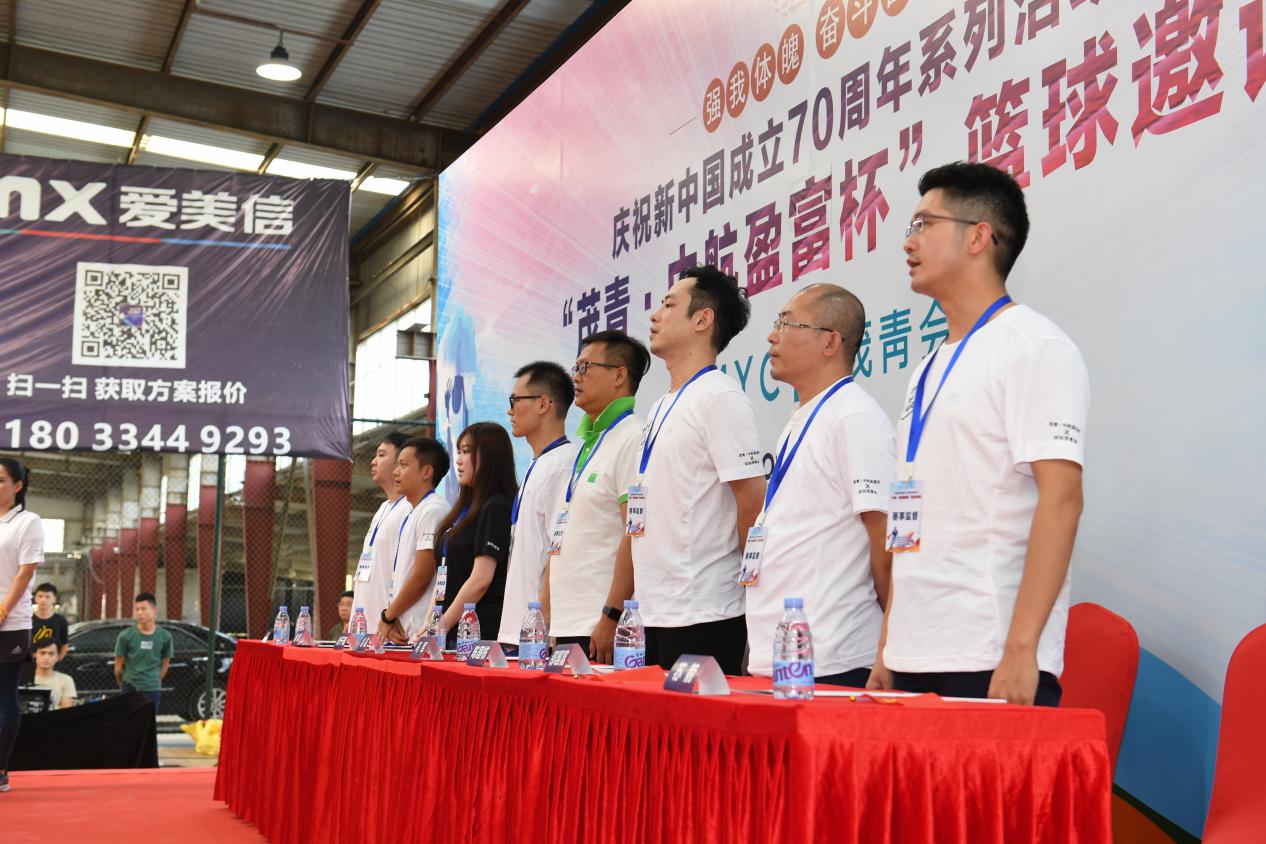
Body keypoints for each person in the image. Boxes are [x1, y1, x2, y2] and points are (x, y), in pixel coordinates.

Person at [869, 162, 1089, 707]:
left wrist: (1022, 649)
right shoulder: (928, 367)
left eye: (924, 224)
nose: (908, 242)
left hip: (990, 655)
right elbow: (910, 519)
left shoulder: (1034, 346)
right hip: (912, 655)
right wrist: (889, 645)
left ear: (978, 237)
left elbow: (1062, 499)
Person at [744, 284, 895, 688]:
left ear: (831, 342)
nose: (772, 336)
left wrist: (888, 648)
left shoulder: (854, 417)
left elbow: (885, 541)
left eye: (787, 324)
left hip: (833, 657)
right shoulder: (803, 419)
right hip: (781, 656)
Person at [633, 266, 766, 676]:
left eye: (669, 305)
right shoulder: (661, 406)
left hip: (704, 611)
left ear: (703, 320)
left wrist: (753, 595)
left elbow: (752, 501)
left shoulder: (720, 397)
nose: (655, 315)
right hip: (654, 610)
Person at [543, 331, 648, 662]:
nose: (576, 376)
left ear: (619, 375)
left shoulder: (631, 437)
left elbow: (634, 532)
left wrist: (611, 616)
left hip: (598, 626)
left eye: (585, 367)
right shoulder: (592, 441)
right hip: (569, 622)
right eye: (575, 368)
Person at [496, 362, 579, 648]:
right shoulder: (540, 462)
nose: (510, 411)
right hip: (519, 628)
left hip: (536, 634)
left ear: (543, 404)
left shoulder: (563, 464)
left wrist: (544, 621)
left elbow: (560, 548)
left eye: (515, 400)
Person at [434, 423, 517, 646]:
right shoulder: (465, 509)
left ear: (490, 457)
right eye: (459, 452)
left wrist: (440, 627)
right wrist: (431, 624)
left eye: (467, 451)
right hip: (449, 630)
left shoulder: (495, 507)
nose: (459, 460)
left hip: (475, 635)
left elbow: (481, 579)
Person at [377, 437, 451, 642]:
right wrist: (393, 617)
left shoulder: (433, 510)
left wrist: (388, 616)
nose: (395, 472)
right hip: (405, 628)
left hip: (420, 631)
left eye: (403, 465)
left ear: (426, 472)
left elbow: (422, 576)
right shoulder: (413, 511)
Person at [0, 457, 42, 793]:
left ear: (17, 486)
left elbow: (25, 572)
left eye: (0, 480)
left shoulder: (28, 522)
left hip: (11, 623)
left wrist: (2, 609)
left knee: (4, 696)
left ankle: (1, 769)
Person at [352, 432, 411, 632]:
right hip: (364, 624)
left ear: (401, 462)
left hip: (386, 627)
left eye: (381, 455)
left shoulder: (409, 509)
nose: (373, 461)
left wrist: (390, 617)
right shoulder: (383, 508)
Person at [113, 592, 173, 711]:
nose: (140, 613)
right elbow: (118, 668)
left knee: (148, 721)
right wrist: (124, 685)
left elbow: (165, 665)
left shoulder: (165, 637)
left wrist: (153, 681)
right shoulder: (125, 636)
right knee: (129, 721)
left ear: (154, 610)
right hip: (130, 687)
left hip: (152, 689)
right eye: (137, 609)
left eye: (143, 609)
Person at [30, 641, 76, 709]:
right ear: (34, 655)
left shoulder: (66, 680)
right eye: (42, 653)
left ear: (57, 657)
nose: (46, 657)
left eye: (51, 654)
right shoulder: (22, 678)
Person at [31, 583, 68, 662]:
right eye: (40, 596)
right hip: (31, 662)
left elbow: (64, 645)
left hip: (52, 663)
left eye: (47, 597)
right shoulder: (28, 620)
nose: (43, 600)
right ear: (35, 598)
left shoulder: (60, 621)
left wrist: (56, 660)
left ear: (54, 599)